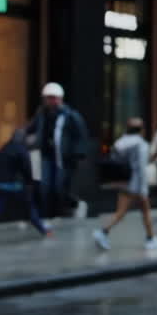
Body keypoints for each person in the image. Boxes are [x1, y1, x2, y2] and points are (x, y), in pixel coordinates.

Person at [93, 118, 157, 251]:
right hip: (135, 185)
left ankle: (150, 238)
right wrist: (142, 189)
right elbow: (140, 167)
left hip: (123, 181)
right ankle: (103, 232)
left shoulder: (120, 142)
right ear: (141, 130)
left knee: (136, 211)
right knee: (129, 212)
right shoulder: (140, 144)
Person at [26, 82, 90, 220]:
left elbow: (80, 135)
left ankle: (68, 207)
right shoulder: (41, 114)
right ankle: (48, 214)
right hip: (46, 155)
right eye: (48, 98)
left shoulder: (70, 115)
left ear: (60, 98)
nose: (51, 101)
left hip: (63, 157)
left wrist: (77, 154)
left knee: (60, 186)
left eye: (54, 98)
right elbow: (31, 129)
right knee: (45, 185)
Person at [0, 129, 52, 245]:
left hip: (3, 185)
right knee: (30, 208)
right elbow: (27, 168)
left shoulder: (3, 149)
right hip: (16, 185)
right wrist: (30, 183)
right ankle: (44, 230)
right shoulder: (20, 150)